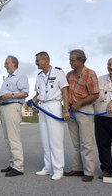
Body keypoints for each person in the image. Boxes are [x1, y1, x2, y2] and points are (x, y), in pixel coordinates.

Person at [30, 52, 70, 180]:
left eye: (37, 60)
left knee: (55, 139)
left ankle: (58, 169)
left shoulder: (58, 72)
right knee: (45, 139)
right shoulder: (39, 76)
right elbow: (38, 93)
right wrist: (32, 101)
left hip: (54, 106)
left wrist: (66, 109)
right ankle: (48, 167)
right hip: (42, 106)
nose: (36, 63)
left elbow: (65, 91)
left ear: (45, 60)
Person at [64, 49, 99, 182]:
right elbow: (66, 92)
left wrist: (79, 103)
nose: (70, 62)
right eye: (70, 60)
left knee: (86, 142)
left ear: (81, 61)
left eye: (72, 60)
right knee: (76, 143)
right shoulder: (69, 75)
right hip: (72, 110)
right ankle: (77, 168)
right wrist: (66, 108)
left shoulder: (90, 74)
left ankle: (89, 171)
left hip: (85, 109)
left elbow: (95, 94)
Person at [0, 55, 29, 177]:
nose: (5, 65)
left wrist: (11, 95)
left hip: (13, 107)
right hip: (4, 108)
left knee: (14, 138)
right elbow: (4, 95)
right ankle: (13, 163)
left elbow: (25, 92)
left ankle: (18, 167)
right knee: (8, 138)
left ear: (14, 64)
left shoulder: (21, 76)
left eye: (7, 63)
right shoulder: (7, 78)